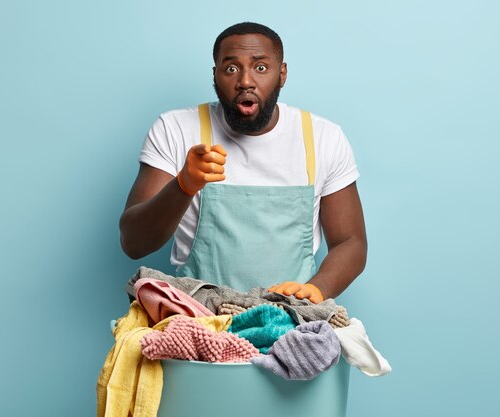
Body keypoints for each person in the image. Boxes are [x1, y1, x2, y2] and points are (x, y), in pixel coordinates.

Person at [120, 22, 367, 304]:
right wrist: (183, 186)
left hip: (292, 318)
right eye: (231, 68)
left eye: (260, 67)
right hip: (200, 320)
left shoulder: (324, 137)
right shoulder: (175, 129)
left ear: (282, 74)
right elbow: (134, 243)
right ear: (215, 75)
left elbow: (351, 242)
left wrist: (317, 289)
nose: (246, 81)